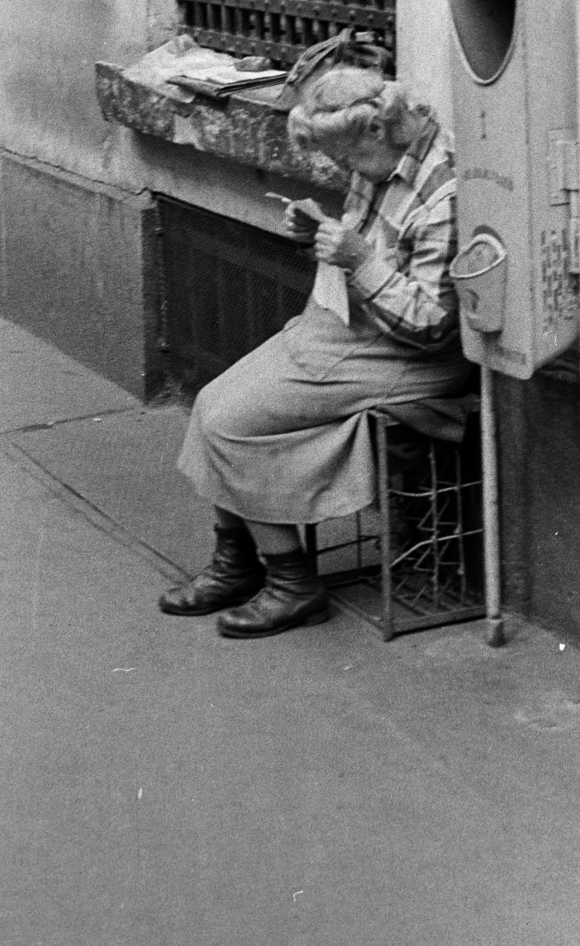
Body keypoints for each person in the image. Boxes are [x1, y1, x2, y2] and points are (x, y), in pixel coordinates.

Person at [159, 32, 473, 638]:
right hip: (345, 331)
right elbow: (362, 239)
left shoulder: (446, 194)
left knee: (230, 421)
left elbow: (434, 328)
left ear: (377, 131)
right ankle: (238, 562)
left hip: (405, 358)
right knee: (213, 401)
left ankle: (291, 583)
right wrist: (321, 236)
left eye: (346, 159)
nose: (343, 171)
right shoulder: (380, 152)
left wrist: (356, 259)